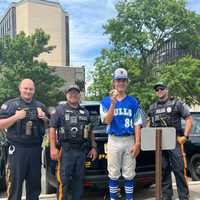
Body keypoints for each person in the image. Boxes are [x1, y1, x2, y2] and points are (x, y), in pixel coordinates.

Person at [0, 79, 49, 200]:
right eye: (25, 88)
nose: (28, 91)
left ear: (34, 90)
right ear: (20, 89)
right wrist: (15, 117)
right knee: (15, 187)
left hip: (35, 150)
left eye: (31, 89)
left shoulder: (40, 106)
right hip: (17, 151)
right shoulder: (10, 105)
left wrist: (44, 118)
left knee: (34, 188)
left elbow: (49, 126)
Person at [49, 84, 97, 200]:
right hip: (65, 151)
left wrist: (94, 147)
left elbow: (90, 130)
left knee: (79, 182)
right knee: (63, 181)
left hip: (81, 151)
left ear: (79, 95)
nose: (73, 95)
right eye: (70, 93)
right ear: (67, 95)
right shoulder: (59, 110)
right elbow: (52, 128)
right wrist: (53, 148)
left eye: (75, 93)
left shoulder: (85, 112)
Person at [100, 68, 142, 200]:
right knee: (113, 173)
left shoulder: (133, 101)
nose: (121, 83)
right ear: (113, 82)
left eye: (123, 80)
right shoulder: (105, 101)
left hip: (129, 139)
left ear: (127, 82)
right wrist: (113, 103)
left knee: (129, 173)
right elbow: (107, 120)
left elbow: (137, 123)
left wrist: (137, 143)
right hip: (113, 139)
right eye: (118, 80)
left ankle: (129, 198)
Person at [147, 81, 192, 200]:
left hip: (175, 141)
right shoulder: (152, 107)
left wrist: (185, 136)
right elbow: (148, 124)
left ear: (166, 90)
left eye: (161, 88)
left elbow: (188, 119)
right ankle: (167, 196)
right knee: (164, 170)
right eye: (157, 90)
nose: (159, 91)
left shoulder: (177, 103)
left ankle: (184, 197)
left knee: (179, 170)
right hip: (160, 143)